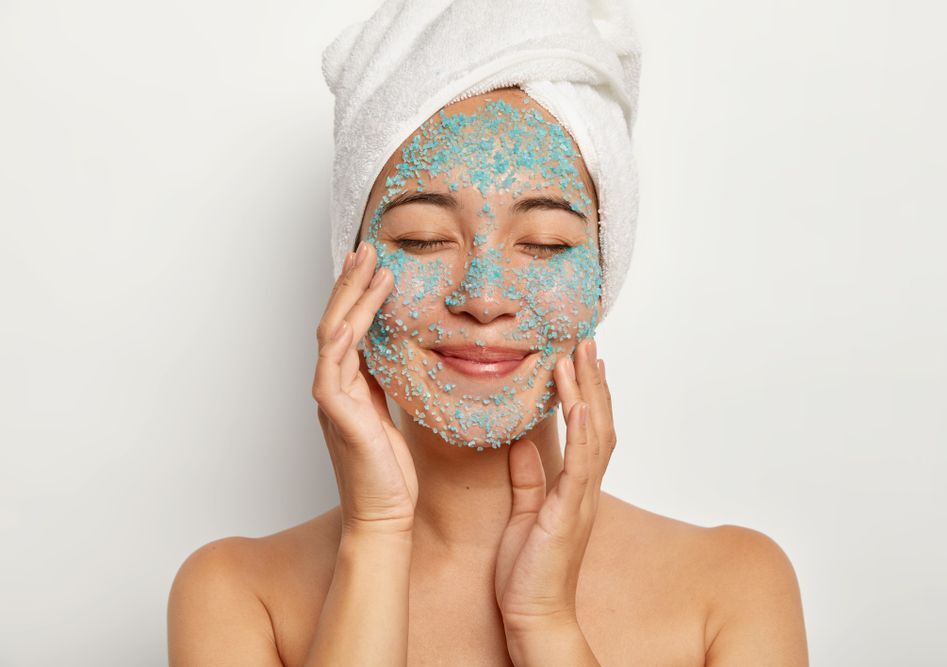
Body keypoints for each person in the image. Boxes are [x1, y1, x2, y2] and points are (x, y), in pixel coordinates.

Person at [167, 85, 808, 665]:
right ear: (350, 271)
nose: (484, 296)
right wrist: (375, 537)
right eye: (422, 238)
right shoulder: (238, 596)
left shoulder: (731, 587)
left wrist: (545, 624)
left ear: (603, 279)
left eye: (546, 243)